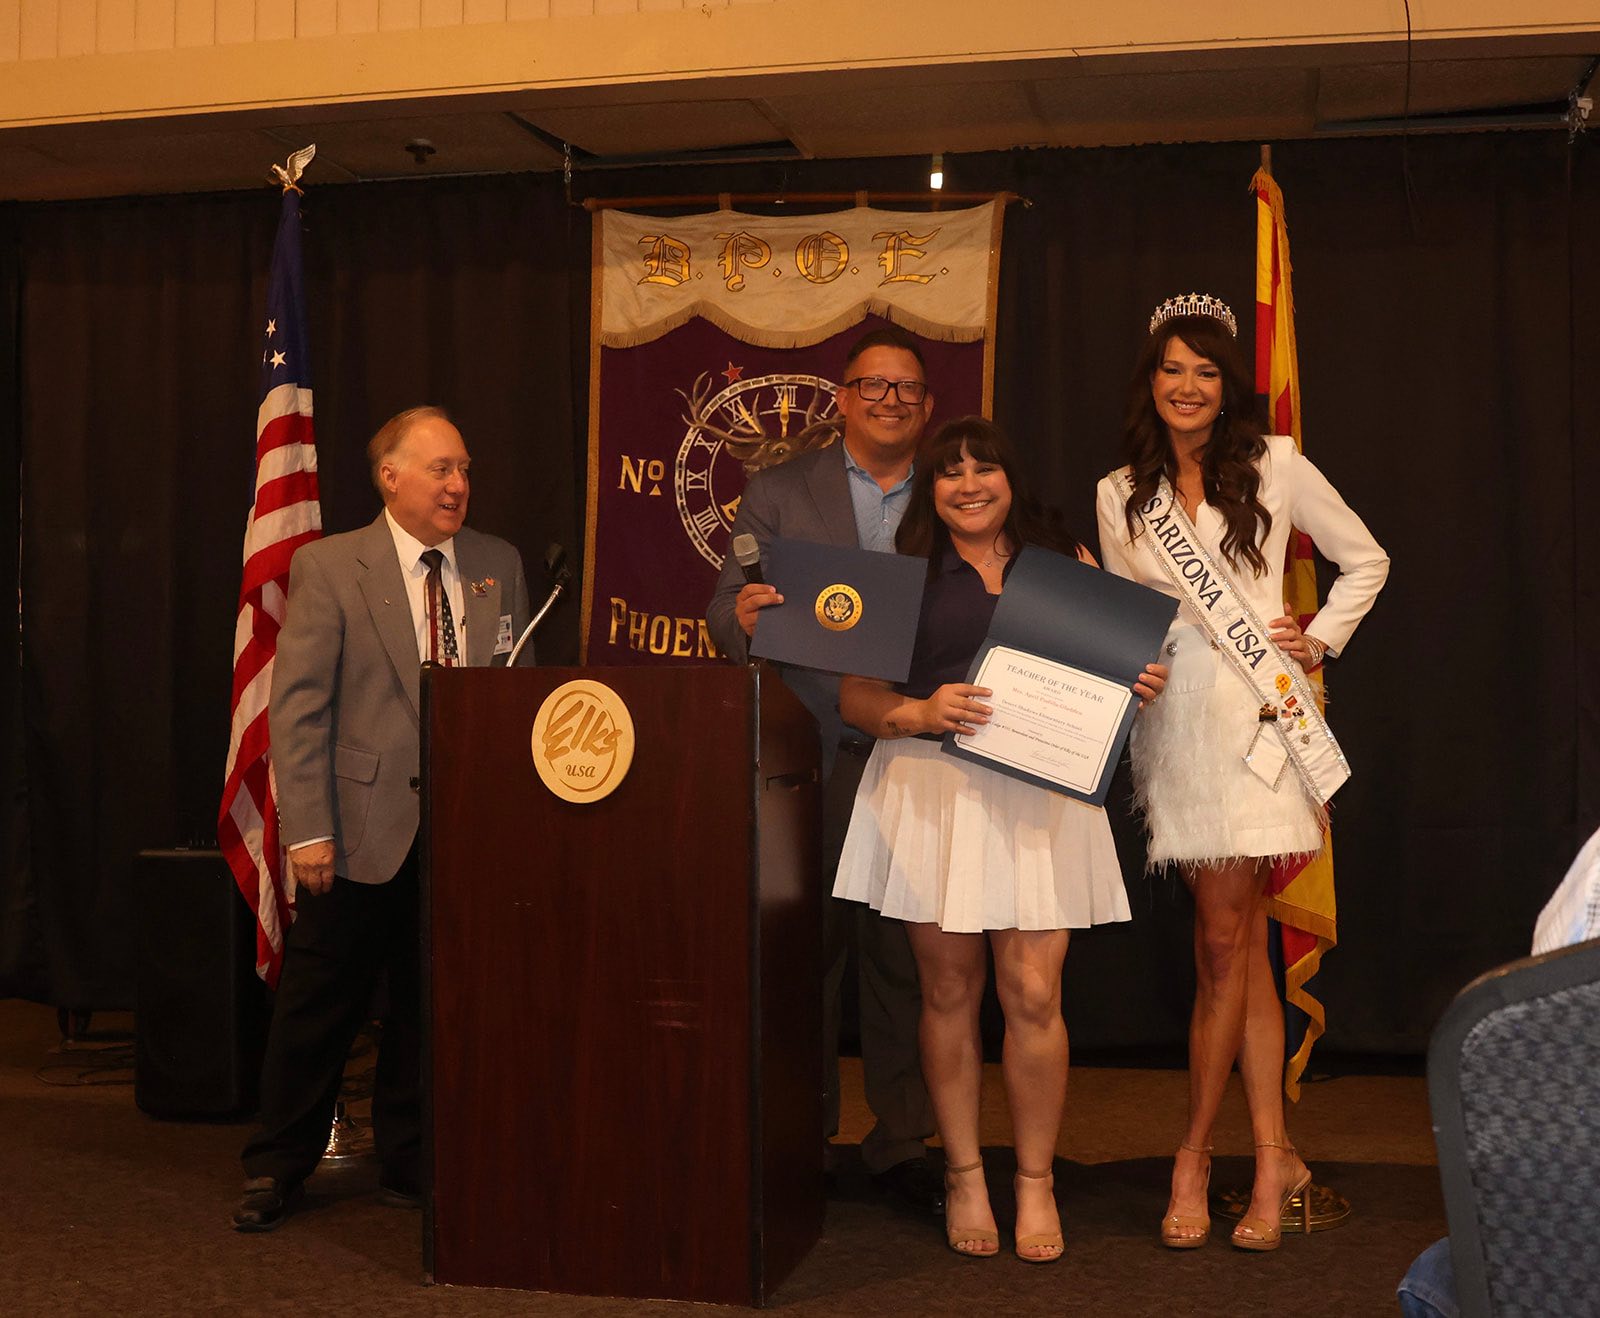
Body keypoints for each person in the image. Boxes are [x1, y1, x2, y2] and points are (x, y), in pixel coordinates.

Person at [833, 415, 1168, 1261]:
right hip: (933, 790)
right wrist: (917, 711)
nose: (969, 485)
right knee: (949, 991)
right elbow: (857, 697)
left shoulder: (1065, 564)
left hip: (1041, 794)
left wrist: (1134, 682)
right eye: (950, 472)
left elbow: (1107, 675)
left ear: (1011, 479)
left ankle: (1034, 1181)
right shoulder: (900, 569)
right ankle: (964, 1175)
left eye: (984, 468)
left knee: (1034, 993)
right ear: (931, 488)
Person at [1095, 294, 1389, 1251]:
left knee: (1223, 945)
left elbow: (1366, 561)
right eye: (1172, 368)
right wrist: (1126, 665)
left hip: (1263, 724)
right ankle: (1274, 1156)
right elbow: (1127, 621)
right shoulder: (1119, 494)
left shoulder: (1275, 464)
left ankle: (1196, 1156)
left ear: (1228, 388)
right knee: (1239, 947)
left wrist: (1319, 640)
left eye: (1206, 371)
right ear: (1150, 381)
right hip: (1176, 730)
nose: (1187, 386)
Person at [233, 405, 531, 1232]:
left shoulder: (498, 564)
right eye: (441, 469)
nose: (458, 485)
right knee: (320, 1005)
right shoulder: (332, 566)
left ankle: (412, 1161)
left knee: (428, 1007)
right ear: (390, 477)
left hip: (464, 831)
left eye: (464, 469)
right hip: (356, 829)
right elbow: (300, 710)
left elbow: (519, 695)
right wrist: (309, 831)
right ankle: (277, 1164)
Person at [705, 325, 942, 1215]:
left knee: (906, 958)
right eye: (873, 385)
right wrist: (745, 619)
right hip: (812, 752)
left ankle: (902, 1142)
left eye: (906, 388)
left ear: (928, 406)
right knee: (809, 957)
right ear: (841, 398)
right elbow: (723, 609)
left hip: (920, 754)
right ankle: (801, 1138)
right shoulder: (779, 491)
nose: (890, 401)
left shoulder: (954, 487)